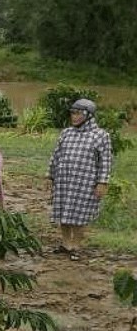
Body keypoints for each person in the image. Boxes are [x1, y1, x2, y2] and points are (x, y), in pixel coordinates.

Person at [47, 98, 113, 261]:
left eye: (78, 114)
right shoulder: (66, 133)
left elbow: (105, 161)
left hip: (85, 182)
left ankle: (76, 246)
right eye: (72, 113)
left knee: (79, 215)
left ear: (88, 115)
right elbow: (56, 155)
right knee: (64, 212)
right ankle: (66, 244)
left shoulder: (100, 135)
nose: (74, 117)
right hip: (63, 180)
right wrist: (50, 175)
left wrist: (102, 182)